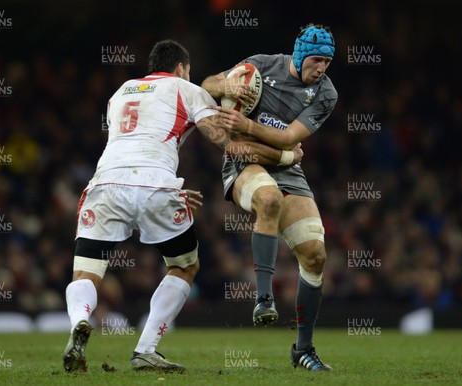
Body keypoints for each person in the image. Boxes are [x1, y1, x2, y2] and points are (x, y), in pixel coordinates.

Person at [62, 39, 303, 373]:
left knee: (86, 270)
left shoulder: (120, 93)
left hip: (105, 184)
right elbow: (231, 148)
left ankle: (79, 321)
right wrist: (285, 155)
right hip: (157, 186)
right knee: (184, 266)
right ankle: (145, 349)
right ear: (181, 68)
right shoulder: (187, 89)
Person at [201, 23, 337, 371]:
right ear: (301, 54)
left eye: (327, 62)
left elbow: (290, 137)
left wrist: (246, 127)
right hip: (244, 161)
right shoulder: (262, 65)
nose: (321, 69)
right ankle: (263, 298)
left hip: (285, 164)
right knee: (270, 199)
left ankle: (303, 349)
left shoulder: (326, 94)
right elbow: (207, 85)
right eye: (317, 60)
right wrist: (226, 84)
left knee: (316, 255)